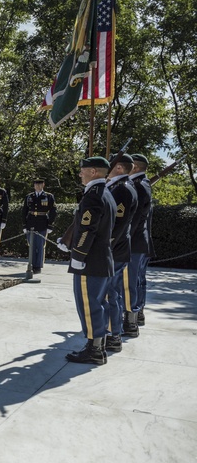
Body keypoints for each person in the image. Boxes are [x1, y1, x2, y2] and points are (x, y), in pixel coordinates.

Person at [59, 156, 116, 365]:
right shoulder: (106, 193)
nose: (80, 173)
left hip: (90, 261)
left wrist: (78, 256)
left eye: (83, 170)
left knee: (89, 305)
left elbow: (87, 230)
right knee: (98, 303)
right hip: (102, 259)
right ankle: (98, 347)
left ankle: (94, 350)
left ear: (93, 172)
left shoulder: (93, 195)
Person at [101, 155, 138, 353]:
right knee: (111, 292)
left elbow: (118, 224)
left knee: (110, 294)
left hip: (115, 250)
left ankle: (113, 335)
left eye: (112, 165)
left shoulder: (123, 189)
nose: (108, 167)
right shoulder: (117, 186)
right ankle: (112, 333)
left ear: (120, 168)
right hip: (115, 249)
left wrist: (105, 246)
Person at [125, 154, 153, 334]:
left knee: (131, 282)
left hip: (133, 243)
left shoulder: (139, 186)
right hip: (140, 242)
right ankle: (138, 313)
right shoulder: (144, 184)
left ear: (134, 167)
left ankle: (131, 321)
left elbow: (135, 219)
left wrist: (123, 238)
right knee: (137, 280)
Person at [21, 178, 56, 273]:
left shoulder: (48, 196)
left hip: (42, 223)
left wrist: (50, 225)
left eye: (40, 184)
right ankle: (31, 264)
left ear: (43, 185)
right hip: (31, 222)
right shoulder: (29, 197)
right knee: (31, 245)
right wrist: (24, 225)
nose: (37, 186)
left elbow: (53, 211)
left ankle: (38, 266)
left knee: (40, 245)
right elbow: (24, 211)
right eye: (36, 184)